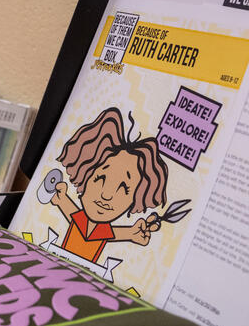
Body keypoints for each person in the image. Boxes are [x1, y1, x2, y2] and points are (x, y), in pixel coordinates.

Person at [49, 107, 169, 264]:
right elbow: (74, 215)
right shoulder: (83, 221)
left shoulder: (101, 231)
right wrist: (61, 198)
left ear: (136, 198)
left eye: (124, 188)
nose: (106, 195)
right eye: (100, 178)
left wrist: (132, 233)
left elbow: (113, 233)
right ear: (85, 173)